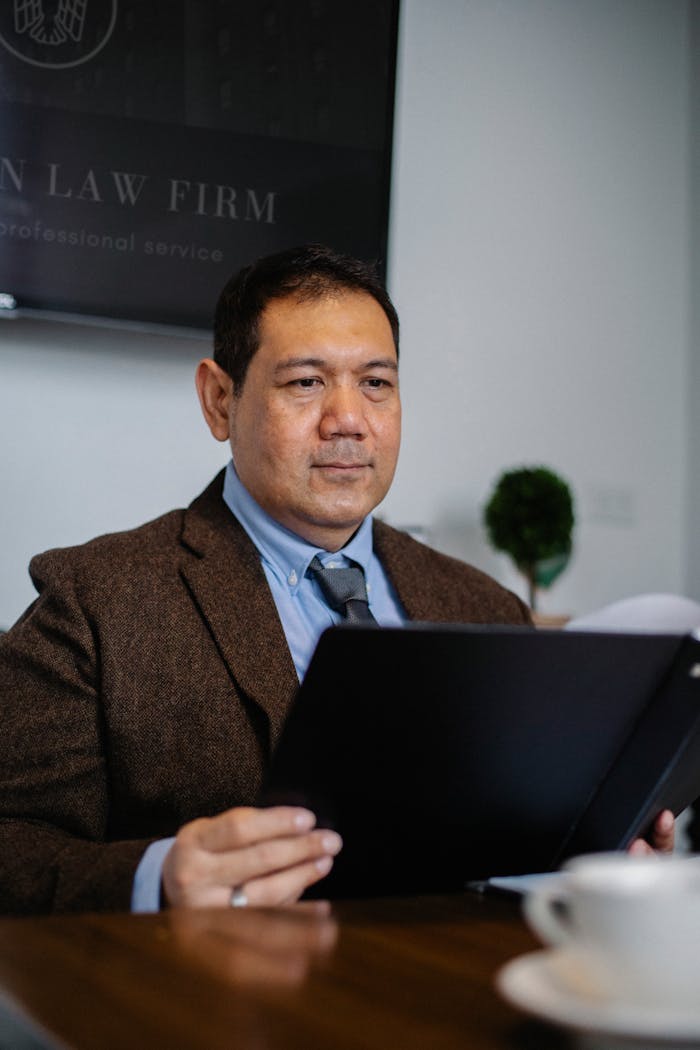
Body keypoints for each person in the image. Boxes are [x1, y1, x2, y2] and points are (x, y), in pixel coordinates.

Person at [0, 244, 673, 916]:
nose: (349, 420)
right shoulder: (95, 600)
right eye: (306, 382)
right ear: (219, 401)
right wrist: (159, 877)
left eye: (376, 383)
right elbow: (14, 842)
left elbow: (516, 839)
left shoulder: (484, 604)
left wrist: (596, 855)